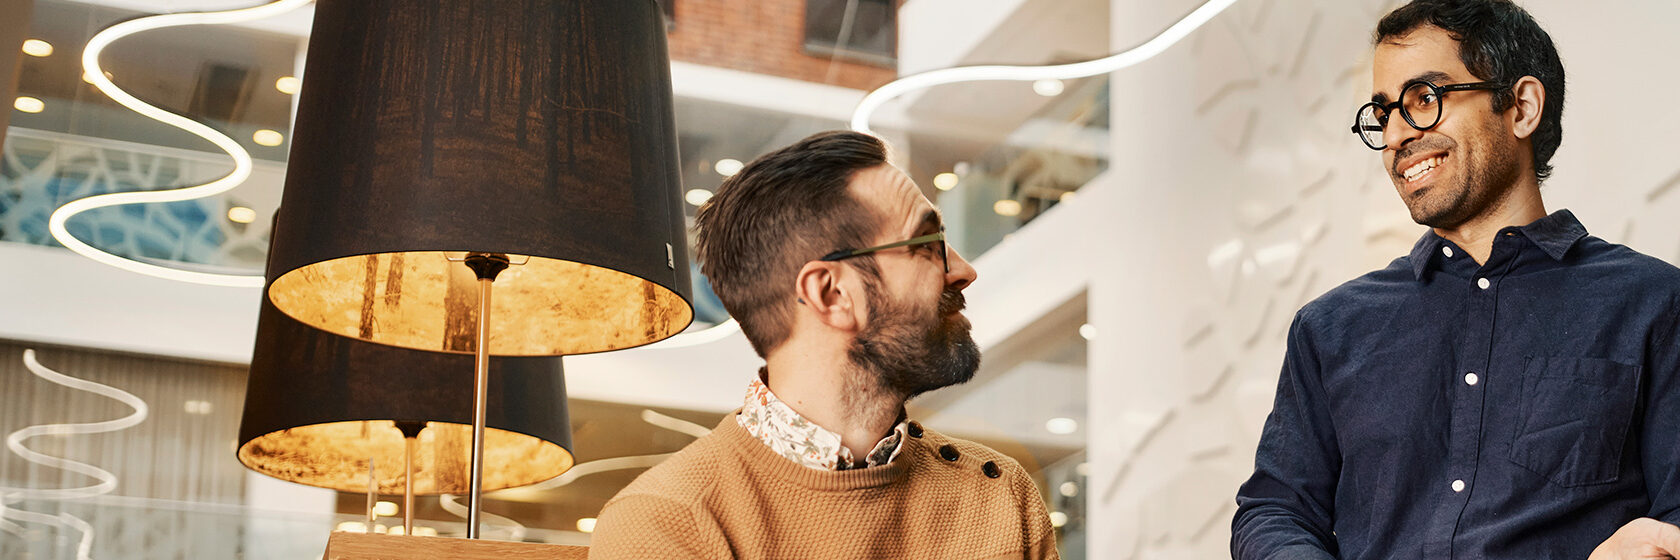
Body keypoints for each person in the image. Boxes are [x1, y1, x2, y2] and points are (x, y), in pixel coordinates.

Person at [1232, 1, 1680, 558]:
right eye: (1383, 113)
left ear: (1521, 107)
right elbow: (1275, 511)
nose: (1395, 135)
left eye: (1424, 99)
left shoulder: (1653, 304)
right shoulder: (1329, 329)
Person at [589, 130, 1059, 559]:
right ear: (831, 294)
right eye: (924, 244)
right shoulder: (664, 521)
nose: (963, 270)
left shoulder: (999, 494)